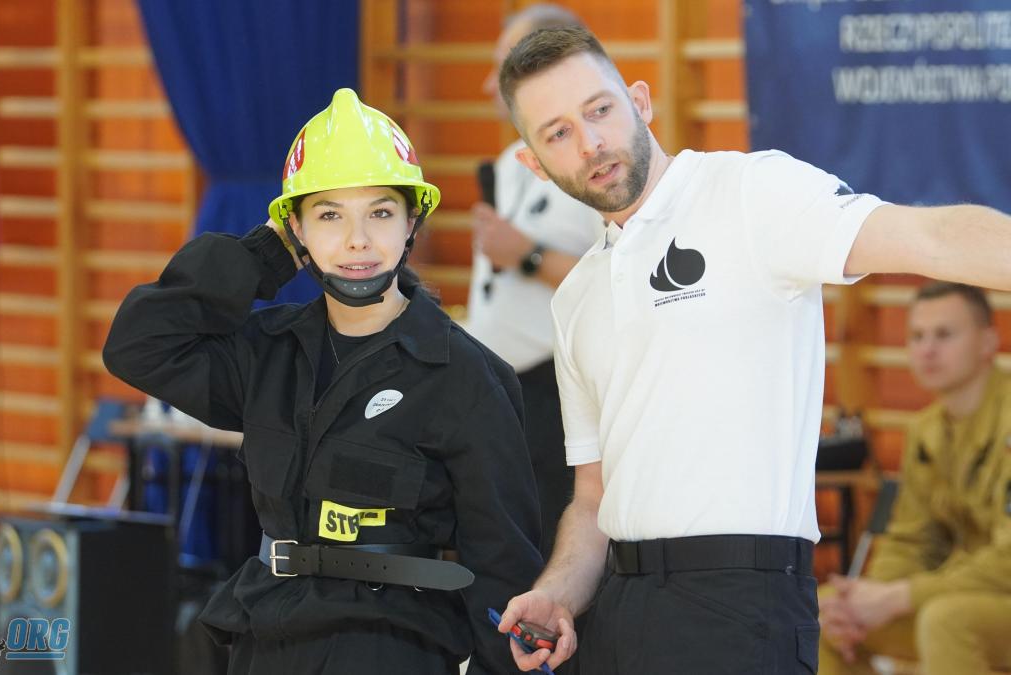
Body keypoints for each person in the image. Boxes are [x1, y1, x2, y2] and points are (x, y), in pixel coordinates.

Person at [490, 25, 1011, 674]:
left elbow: (931, 237)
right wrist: (559, 592)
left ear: (640, 102)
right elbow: (594, 498)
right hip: (620, 615)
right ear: (534, 163)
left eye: (599, 110)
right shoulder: (575, 300)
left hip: (742, 606)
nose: (591, 142)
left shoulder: (750, 194)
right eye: (559, 133)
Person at [103, 88, 543, 675]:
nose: (357, 240)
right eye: (330, 215)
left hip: (392, 647)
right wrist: (267, 254)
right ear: (297, 230)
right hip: (266, 636)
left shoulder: (466, 378)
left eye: (380, 213)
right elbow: (138, 345)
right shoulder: (266, 354)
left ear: (412, 221)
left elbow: (505, 571)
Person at [466, 3, 604, 560]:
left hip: (556, 392)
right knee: (504, 547)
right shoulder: (510, 161)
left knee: (553, 549)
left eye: (502, 63)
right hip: (499, 390)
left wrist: (526, 255)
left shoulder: (600, 158)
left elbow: (619, 280)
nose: (487, 84)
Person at [818, 282, 1011, 675]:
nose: (927, 349)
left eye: (944, 334)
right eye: (917, 336)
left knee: (947, 621)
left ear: (988, 342)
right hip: (965, 591)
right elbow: (911, 540)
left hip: (985, 597)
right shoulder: (925, 430)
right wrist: (870, 598)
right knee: (825, 613)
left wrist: (900, 596)